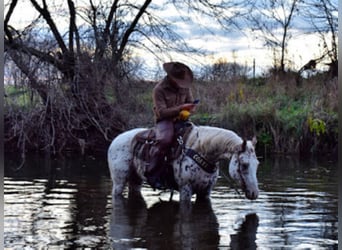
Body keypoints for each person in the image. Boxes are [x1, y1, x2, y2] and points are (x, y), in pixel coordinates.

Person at [147, 62, 197, 187]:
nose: (181, 84)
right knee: (165, 140)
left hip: (182, 120)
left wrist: (189, 109)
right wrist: (181, 108)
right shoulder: (159, 90)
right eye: (178, 81)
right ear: (171, 77)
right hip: (165, 121)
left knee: (197, 138)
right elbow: (161, 112)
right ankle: (152, 173)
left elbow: (191, 103)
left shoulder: (185, 88)